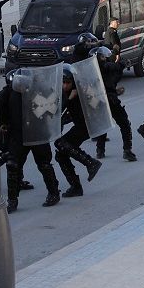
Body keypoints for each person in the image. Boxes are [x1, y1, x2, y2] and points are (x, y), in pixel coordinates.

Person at [2, 70, 62, 213]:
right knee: (12, 165)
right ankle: (12, 200)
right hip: (18, 135)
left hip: (37, 133)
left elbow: (55, 106)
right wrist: (3, 125)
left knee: (44, 164)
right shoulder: (8, 93)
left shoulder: (40, 91)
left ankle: (54, 192)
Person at [54, 64, 103, 197]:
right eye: (63, 83)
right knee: (60, 155)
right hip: (80, 125)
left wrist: (77, 96)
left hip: (87, 125)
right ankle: (76, 187)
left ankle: (91, 162)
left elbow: (97, 104)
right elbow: (61, 110)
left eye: (68, 83)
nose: (65, 86)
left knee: (59, 144)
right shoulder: (66, 93)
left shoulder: (82, 90)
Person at [91, 46, 137, 162]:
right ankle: (127, 150)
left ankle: (100, 150)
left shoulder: (91, 70)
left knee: (104, 124)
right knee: (124, 123)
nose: (105, 58)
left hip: (99, 100)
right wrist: (122, 63)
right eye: (102, 56)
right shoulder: (103, 67)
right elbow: (115, 67)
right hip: (110, 100)